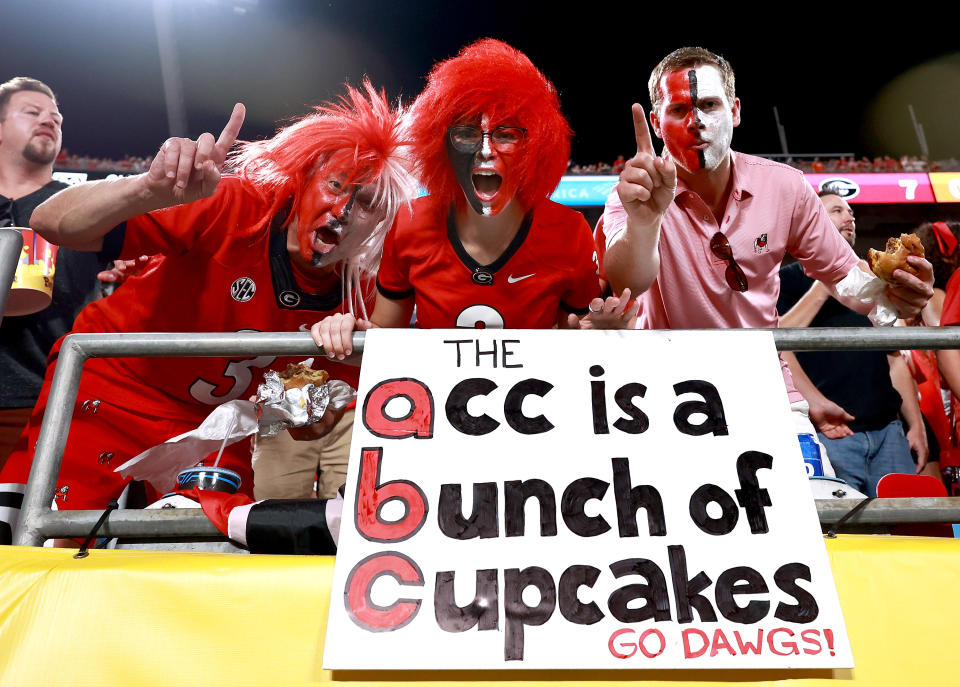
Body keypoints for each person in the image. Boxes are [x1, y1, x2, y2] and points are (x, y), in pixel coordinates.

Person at [0, 82, 417, 544]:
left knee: (203, 548)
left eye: (367, 203)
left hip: (214, 428)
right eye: (336, 185)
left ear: (382, 223)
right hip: (114, 387)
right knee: (35, 541)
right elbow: (49, 222)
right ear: (304, 178)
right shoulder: (237, 205)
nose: (342, 209)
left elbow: (302, 423)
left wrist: (318, 397)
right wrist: (146, 190)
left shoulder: (359, 297)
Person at [597, 46, 934, 459]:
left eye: (708, 104)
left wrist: (893, 294)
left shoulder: (786, 188)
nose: (696, 122)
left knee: (805, 515)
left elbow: (846, 279)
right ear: (656, 122)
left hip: (765, 391)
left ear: (735, 111)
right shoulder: (632, 195)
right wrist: (645, 221)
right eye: (679, 108)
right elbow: (627, 280)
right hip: (662, 396)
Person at [314, 39, 630, 360]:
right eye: (466, 133)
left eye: (506, 134)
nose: (486, 150)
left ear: (535, 146)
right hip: (433, 404)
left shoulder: (569, 231)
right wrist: (345, 334)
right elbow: (386, 342)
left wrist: (599, 334)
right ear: (442, 146)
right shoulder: (411, 221)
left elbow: (573, 339)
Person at [0, 77, 126, 468]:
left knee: (45, 528)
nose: (48, 121)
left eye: (55, 117)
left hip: (59, 401)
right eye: (32, 113)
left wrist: (131, 273)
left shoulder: (91, 207)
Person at [777, 190, 926, 496]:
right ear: (810, 221)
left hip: (889, 431)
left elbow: (894, 356)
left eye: (850, 212)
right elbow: (777, 342)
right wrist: (825, 285)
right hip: (832, 434)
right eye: (836, 211)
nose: (849, 217)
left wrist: (916, 425)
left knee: (906, 529)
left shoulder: (871, 278)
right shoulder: (785, 279)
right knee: (845, 534)